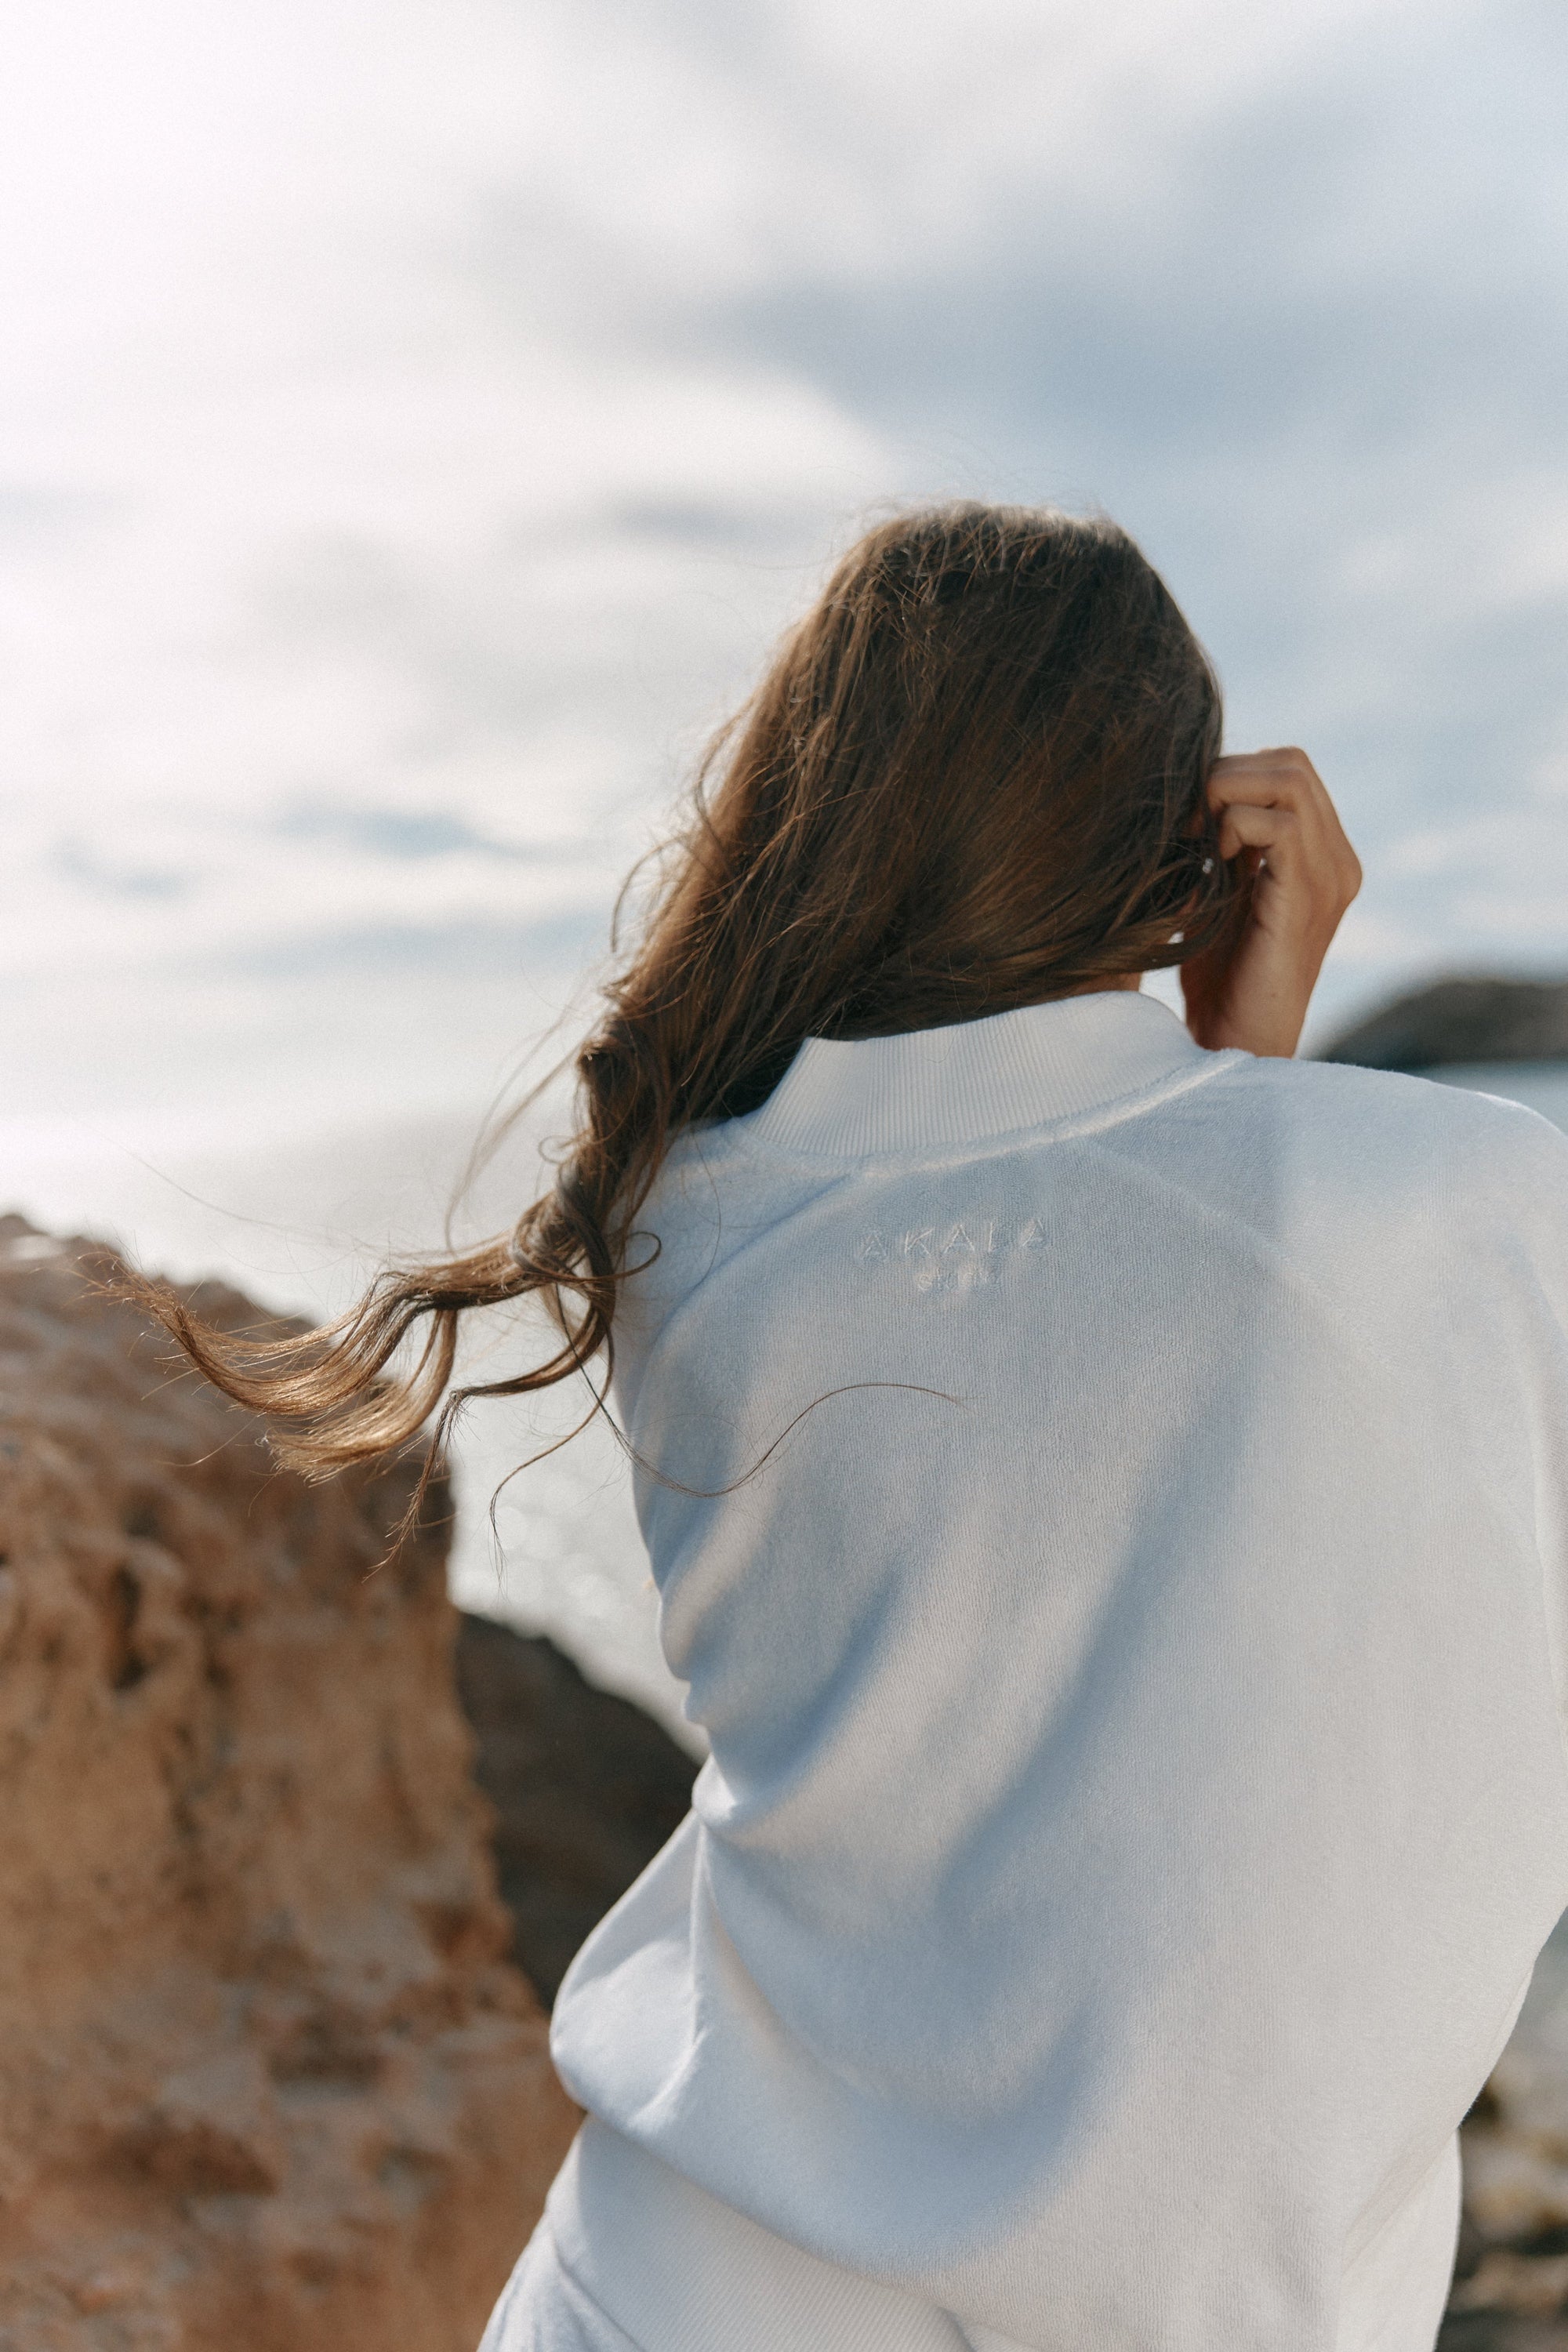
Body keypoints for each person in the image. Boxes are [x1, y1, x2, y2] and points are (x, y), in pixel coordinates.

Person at [151, 506, 1568, 2352]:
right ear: (1180, 855)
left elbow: (1080, 1345)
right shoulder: (1462, 1209)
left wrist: (1228, 1107)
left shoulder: (689, 1228)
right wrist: (1244, 1087)